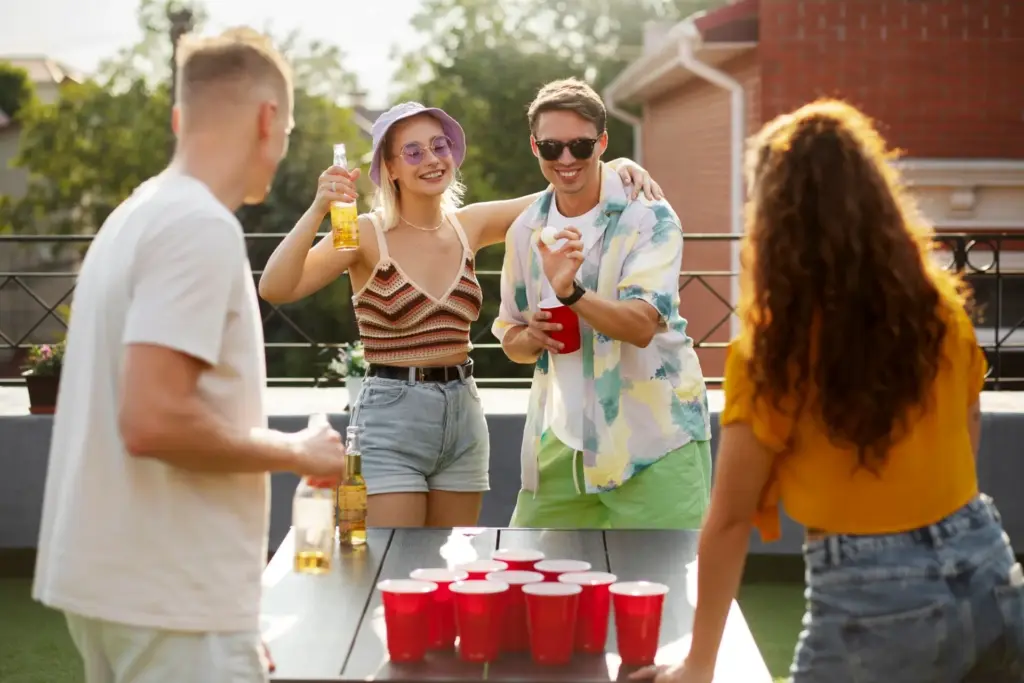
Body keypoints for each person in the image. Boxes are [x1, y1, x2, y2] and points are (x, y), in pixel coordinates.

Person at [634, 100, 1024, 683]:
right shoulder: (941, 307)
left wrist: (697, 667)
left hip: (871, 591)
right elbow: (967, 419)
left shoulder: (773, 349)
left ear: (775, 215)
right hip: (985, 559)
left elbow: (731, 518)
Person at [32, 28, 348, 683]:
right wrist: (301, 452)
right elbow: (154, 420)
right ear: (268, 120)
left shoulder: (132, 218)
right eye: (287, 128)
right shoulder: (198, 226)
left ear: (181, 119)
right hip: (170, 601)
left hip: (118, 591)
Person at [258, 100, 661, 529]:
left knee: (446, 570)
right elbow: (276, 286)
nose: (431, 160)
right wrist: (320, 207)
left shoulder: (469, 225)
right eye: (413, 152)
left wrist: (613, 163)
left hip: (463, 416)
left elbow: (561, 193)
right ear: (389, 168)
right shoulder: (363, 234)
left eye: (439, 146)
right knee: (390, 566)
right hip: (391, 417)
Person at [492, 78, 712, 530]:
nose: (567, 159)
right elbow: (510, 337)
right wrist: (529, 337)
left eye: (581, 145)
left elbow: (642, 325)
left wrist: (570, 291)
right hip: (564, 445)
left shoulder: (649, 215)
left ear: (603, 143)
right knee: (531, 585)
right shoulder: (524, 230)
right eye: (552, 147)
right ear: (535, 148)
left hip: (653, 445)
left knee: (661, 596)